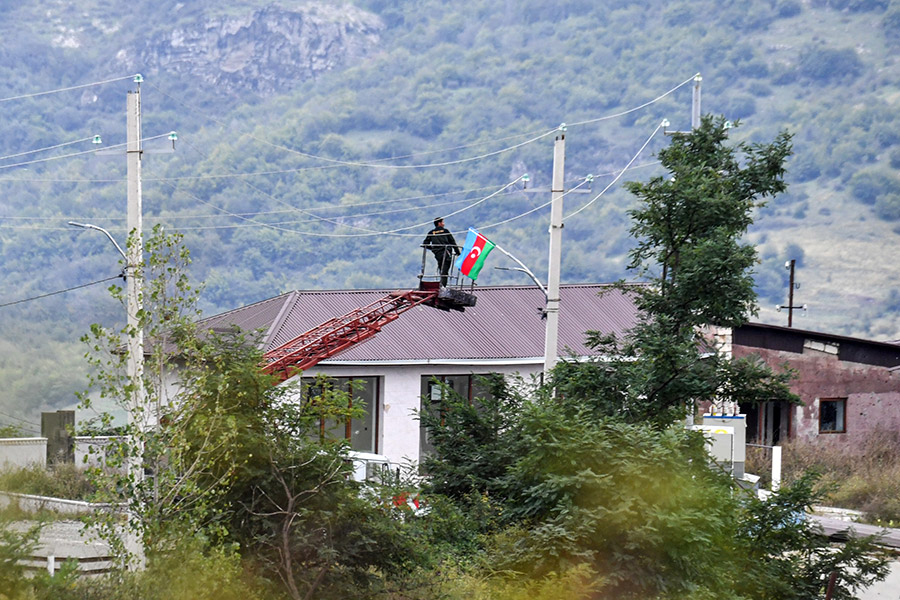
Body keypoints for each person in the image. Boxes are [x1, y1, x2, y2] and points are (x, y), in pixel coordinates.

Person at [423, 217, 459, 286]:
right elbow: (452, 242)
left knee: (441, 269)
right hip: (446, 253)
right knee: (445, 271)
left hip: (438, 254)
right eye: (443, 222)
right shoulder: (445, 231)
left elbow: (425, 244)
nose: (444, 224)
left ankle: (441, 285)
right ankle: (443, 287)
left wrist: (433, 248)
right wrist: (458, 252)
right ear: (439, 223)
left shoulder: (431, 233)